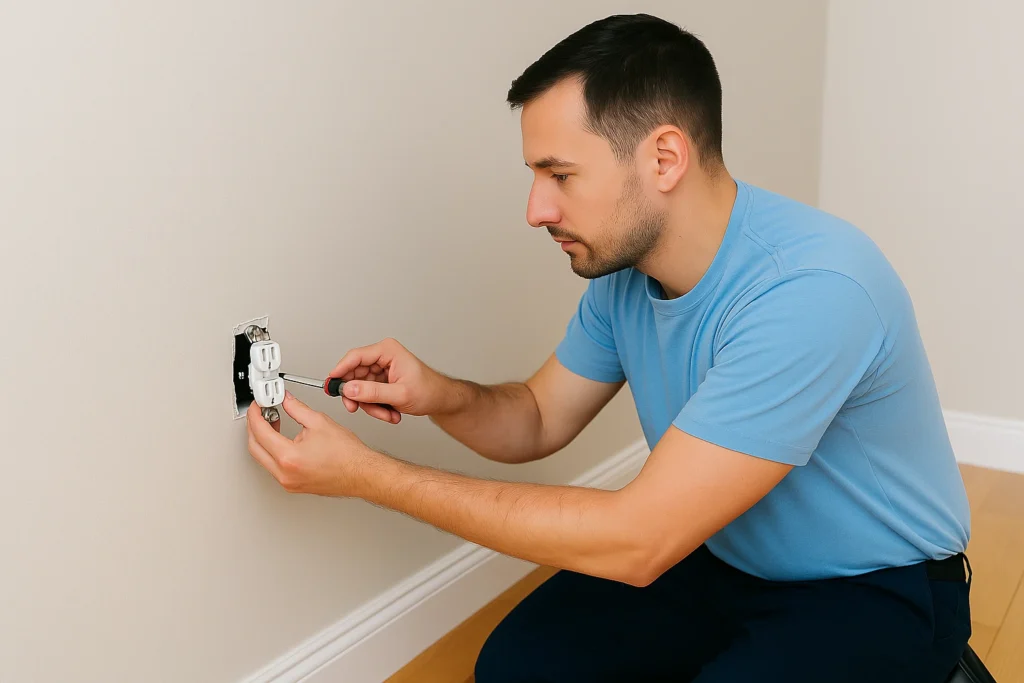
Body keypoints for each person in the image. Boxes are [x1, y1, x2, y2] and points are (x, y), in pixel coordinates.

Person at [246, 13, 973, 683]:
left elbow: (637, 539)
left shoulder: (814, 290)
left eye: (559, 175)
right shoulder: (628, 275)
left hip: (875, 589)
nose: (537, 210)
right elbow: (536, 416)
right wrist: (440, 392)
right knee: (517, 668)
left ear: (664, 158)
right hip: (721, 554)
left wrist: (372, 477)